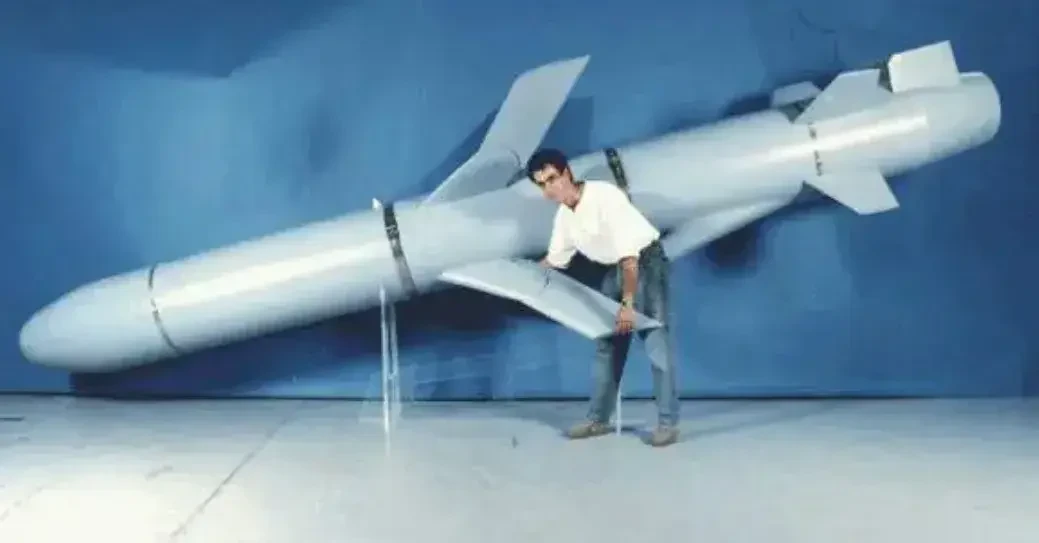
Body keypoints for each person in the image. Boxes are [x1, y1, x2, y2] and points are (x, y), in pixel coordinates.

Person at [527, 148, 679, 447]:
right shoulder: (564, 216)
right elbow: (554, 260)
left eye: (552, 179)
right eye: (542, 185)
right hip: (613, 268)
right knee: (607, 344)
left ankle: (667, 424)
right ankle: (598, 420)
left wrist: (627, 305)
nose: (549, 189)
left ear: (567, 172)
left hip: (644, 263)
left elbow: (630, 258)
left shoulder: (604, 196)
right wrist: (524, 276)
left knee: (655, 342)